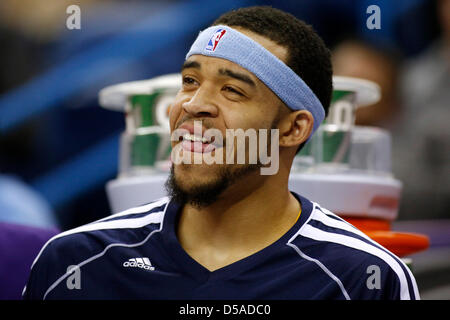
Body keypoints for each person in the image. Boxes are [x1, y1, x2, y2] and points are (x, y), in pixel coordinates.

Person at [23, 6, 419, 300]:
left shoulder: (362, 276)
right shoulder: (75, 261)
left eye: (232, 90)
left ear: (294, 129)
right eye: (190, 80)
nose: (193, 104)